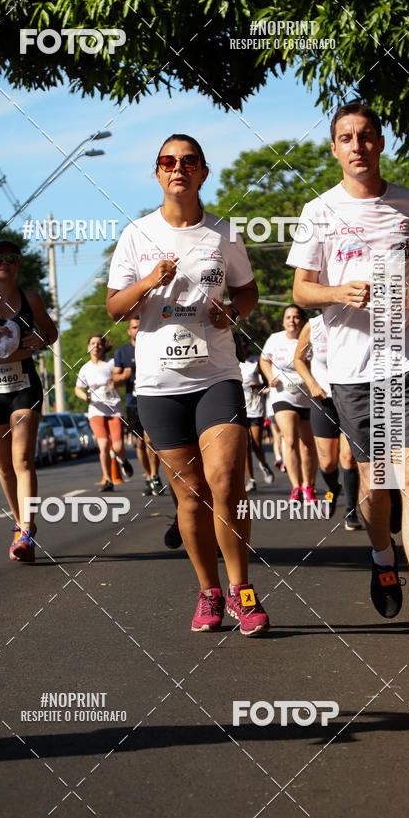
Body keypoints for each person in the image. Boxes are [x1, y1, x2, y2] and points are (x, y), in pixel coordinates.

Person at [288, 100, 409, 646]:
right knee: (374, 481)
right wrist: (336, 292)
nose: (357, 145)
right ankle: (382, 556)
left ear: (380, 144)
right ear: (334, 149)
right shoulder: (319, 212)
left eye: (366, 135)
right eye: (346, 137)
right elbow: (301, 289)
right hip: (354, 366)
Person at [106, 133, 269, 636]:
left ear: (203, 171)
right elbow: (115, 307)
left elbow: (248, 290)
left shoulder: (224, 234)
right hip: (158, 383)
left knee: (226, 482)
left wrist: (233, 313)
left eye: (188, 161)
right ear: (157, 173)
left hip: (217, 373)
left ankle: (242, 591)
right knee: (191, 496)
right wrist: (149, 281)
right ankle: (208, 592)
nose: (178, 168)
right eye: (167, 162)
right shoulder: (136, 235)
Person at [0, 240, 57, 562]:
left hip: (24, 385)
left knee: (23, 459)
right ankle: (19, 522)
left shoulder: (31, 299)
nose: (5, 263)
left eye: (12, 259)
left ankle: (27, 530)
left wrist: (40, 339)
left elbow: (51, 333)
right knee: (3, 465)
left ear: (18, 265)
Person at [293, 314, 361, 529]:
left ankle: (351, 512)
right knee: (327, 463)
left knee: (348, 459)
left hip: (351, 398)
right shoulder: (313, 326)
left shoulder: (354, 321)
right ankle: (333, 490)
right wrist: (311, 384)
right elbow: (299, 359)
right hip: (323, 400)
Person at [259, 305, 318, 504]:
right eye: (288, 317)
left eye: (296, 317)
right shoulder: (275, 339)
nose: (292, 320)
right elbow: (264, 359)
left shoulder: (310, 338)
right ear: (283, 321)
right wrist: (269, 377)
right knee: (290, 439)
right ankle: (295, 488)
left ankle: (308, 486)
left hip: (308, 396)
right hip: (282, 394)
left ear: (302, 320)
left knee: (308, 446)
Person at [75, 334, 133, 491]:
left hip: (114, 409)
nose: (96, 346)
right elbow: (78, 389)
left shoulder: (112, 363)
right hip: (95, 410)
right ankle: (108, 479)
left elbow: (122, 380)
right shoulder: (85, 368)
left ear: (103, 347)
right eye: (93, 343)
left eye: (99, 343)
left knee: (118, 446)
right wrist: (85, 396)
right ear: (88, 347)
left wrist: (116, 382)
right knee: (104, 445)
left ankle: (123, 460)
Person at [113, 317, 163, 496]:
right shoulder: (123, 352)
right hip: (133, 402)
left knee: (150, 440)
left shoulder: (154, 347)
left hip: (151, 398)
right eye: (134, 327)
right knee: (139, 443)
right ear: (129, 331)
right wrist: (124, 375)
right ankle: (149, 477)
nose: (137, 330)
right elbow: (114, 380)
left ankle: (156, 476)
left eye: (140, 327)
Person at [235, 334, 275, 492]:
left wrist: (256, 387)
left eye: (245, 345)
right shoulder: (232, 363)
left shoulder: (256, 361)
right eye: (240, 346)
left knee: (257, 444)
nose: (243, 349)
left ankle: (264, 465)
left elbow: (267, 384)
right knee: (245, 446)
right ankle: (251, 480)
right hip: (239, 409)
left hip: (256, 409)